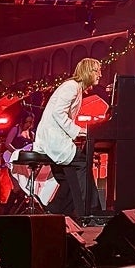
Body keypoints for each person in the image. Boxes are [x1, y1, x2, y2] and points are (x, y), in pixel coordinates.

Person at [34, 58, 103, 219]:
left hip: (56, 138)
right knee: (82, 164)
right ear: (87, 72)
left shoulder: (76, 88)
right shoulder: (71, 87)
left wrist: (79, 131)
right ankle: (91, 212)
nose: (100, 74)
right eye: (96, 70)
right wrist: (78, 131)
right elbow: (59, 113)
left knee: (68, 179)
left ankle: (55, 210)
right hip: (53, 139)